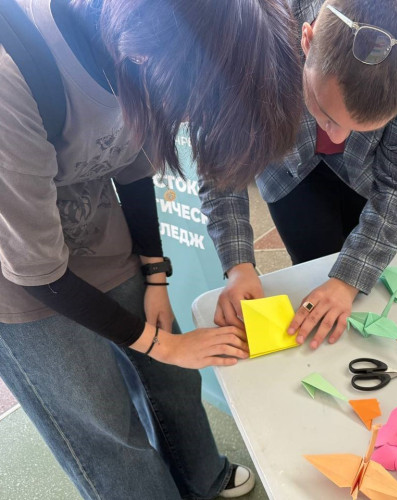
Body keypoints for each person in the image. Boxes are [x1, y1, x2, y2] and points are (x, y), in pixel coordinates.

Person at [0, 0, 303, 499]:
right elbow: (39, 271)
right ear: (144, 58)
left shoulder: (137, 54)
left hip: (96, 230)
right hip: (22, 276)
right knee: (104, 423)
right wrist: (162, 344)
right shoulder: (14, 76)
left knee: (173, 380)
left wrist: (155, 278)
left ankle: (202, 478)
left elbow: (131, 166)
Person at [199, 0, 397, 349]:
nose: (337, 138)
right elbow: (219, 161)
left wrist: (348, 280)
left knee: (360, 289)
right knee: (308, 269)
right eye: (327, 115)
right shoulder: (251, 29)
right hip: (286, 169)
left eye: (364, 126)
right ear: (306, 41)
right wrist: (238, 265)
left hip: (366, 172)